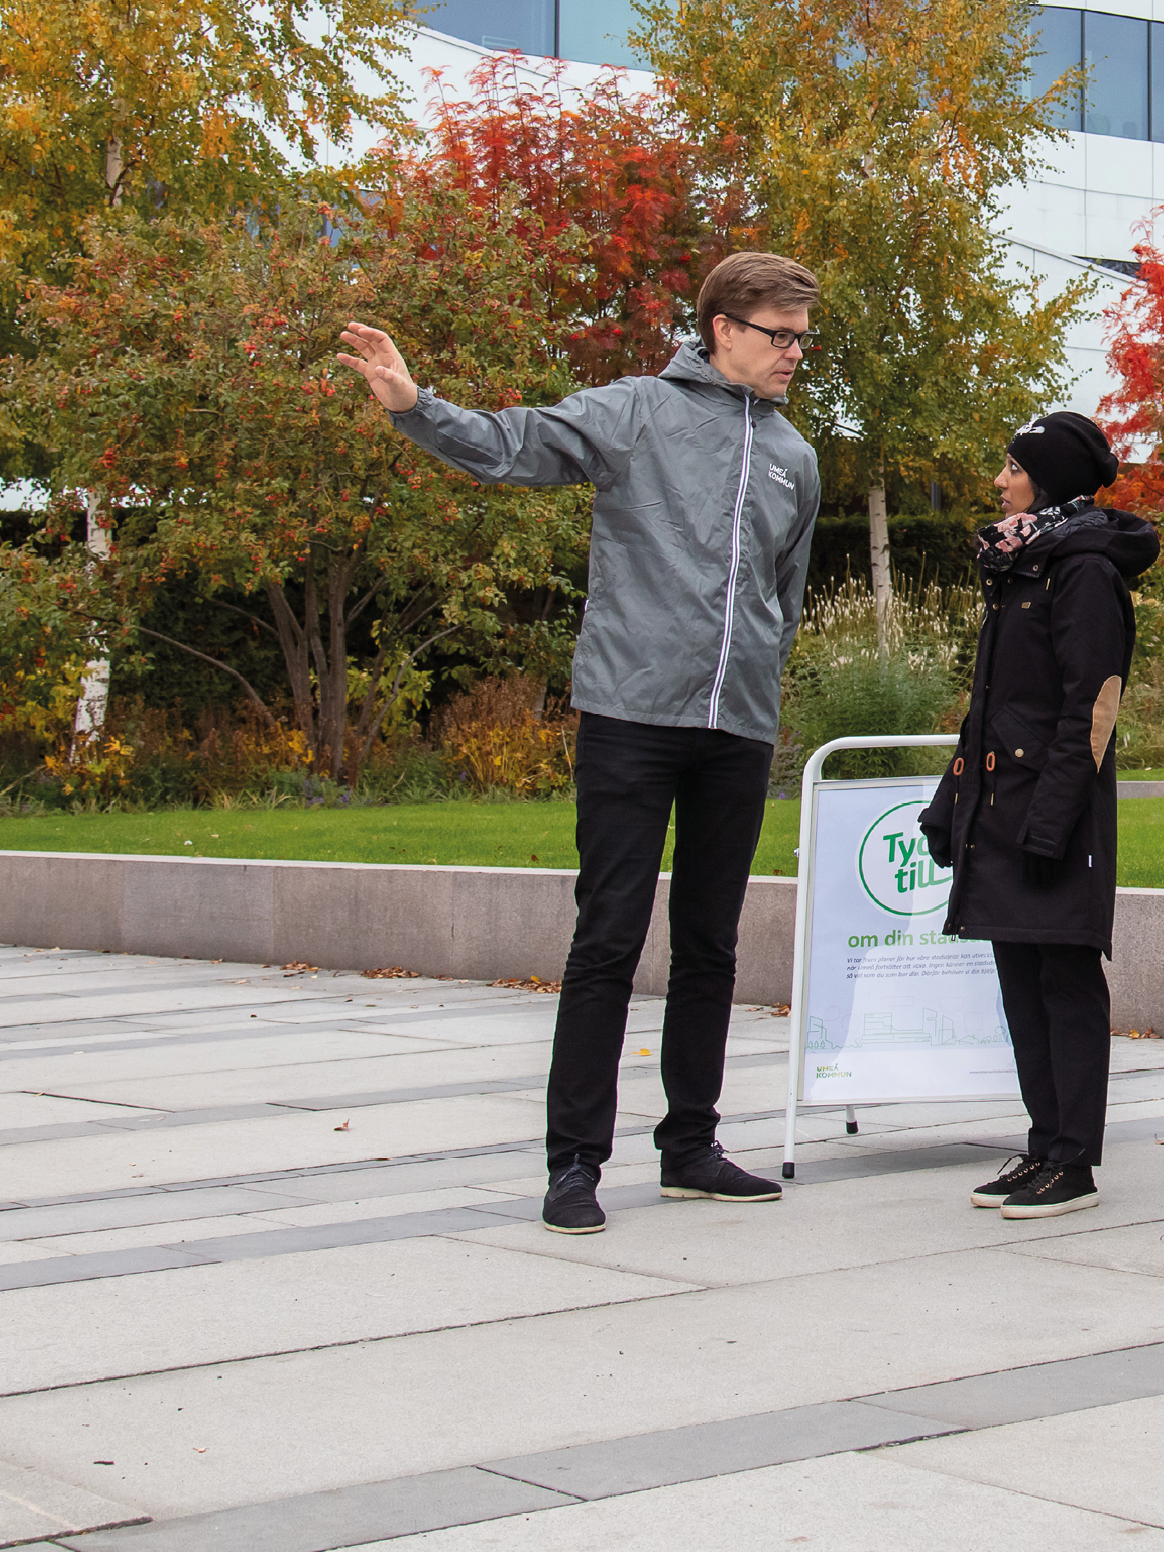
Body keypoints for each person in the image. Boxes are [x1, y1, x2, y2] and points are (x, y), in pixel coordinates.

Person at [336, 253, 823, 1236]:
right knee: (607, 939)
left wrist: (759, 683)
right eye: (780, 336)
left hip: (736, 729)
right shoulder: (636, 410)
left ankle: (691, 1147)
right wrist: (414, 406)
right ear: (724, 328)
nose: (794, 355)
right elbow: (512, 444)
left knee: (712, 945)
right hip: (630, 720)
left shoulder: (795, 456)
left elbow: (785, 591)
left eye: (803, 340)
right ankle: (574, 1164)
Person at [917, 410, 1158, 1222]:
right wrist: (950, 802)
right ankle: (1045, 1142)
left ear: (1047, 480)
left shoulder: (1082, 571)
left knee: (1064, 980)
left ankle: (1073, 1161)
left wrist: (1051, 823)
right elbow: (991, 708)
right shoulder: (1021, 562)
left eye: (1013, 468)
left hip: (1053, 816)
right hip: (1000, 809)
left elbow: (1093, 709)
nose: (999, 481)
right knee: (1021, 983)